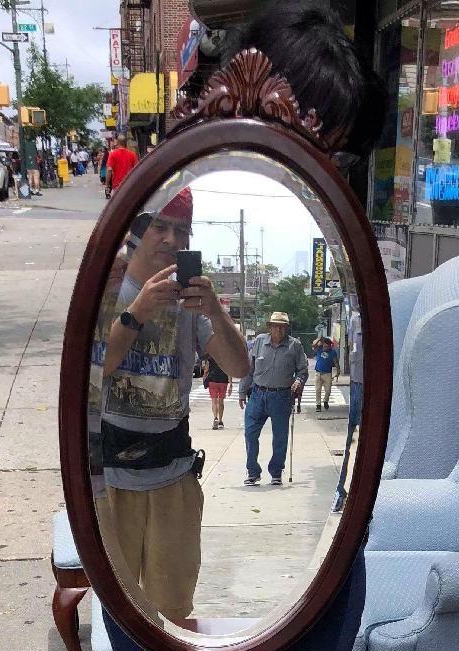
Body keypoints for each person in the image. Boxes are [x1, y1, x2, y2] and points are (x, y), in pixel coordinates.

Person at [100, 0, 384, 651]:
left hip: (278, 536)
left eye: (334, 154)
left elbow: (242, 368)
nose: (323, 168)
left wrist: (210, 303)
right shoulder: (133, 218)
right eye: (319, 140)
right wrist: (137, 300)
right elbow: (83, 388)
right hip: (127, 518)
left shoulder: (332, 225)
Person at [96, 190, 250, 621]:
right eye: (158, 226)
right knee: (118, 614)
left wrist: (217, 313)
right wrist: (138, 310)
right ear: (136, 232)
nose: (169, 239)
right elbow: (100, 365)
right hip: (112, 480)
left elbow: (238, 367)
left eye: (181, 230)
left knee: (175, 614)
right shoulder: (108, 289)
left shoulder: (192, 304)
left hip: (173, 477)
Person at [239, 312, 307, 487]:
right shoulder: (260, 341)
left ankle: (276, 472)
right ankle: (253, 472)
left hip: (281, 397)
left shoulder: (295, 345)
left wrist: (298, 382)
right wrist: (241, 392)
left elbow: (302, 370)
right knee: (250, 433)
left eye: (282, 326)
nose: (278, 329)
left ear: (286, 328)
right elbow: (249, 369)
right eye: (275, 325)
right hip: (258, 395)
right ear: (269, 327)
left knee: (280, 437)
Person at [332, 300, 363, 513]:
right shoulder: (354, 319)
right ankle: (344, 493)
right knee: (353, 437)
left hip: (377, 384)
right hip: (357, 384)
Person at [203, 352, 232, 430]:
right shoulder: (226, 358)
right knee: (221, 401)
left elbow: (206, 370)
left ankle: (215, 418)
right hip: (223, 381)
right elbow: (229, 371)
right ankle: (220, 421)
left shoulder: (210, 357)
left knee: (214, 401)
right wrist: (231, 384)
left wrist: (204, 379)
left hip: (212, 380)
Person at [311, 334, 339, 411]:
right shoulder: (319, 349)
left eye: (327, 347)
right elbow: (314, 344)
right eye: (324, 346)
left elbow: (336, 362)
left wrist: (338, 372)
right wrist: (319, 339)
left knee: (328, 391)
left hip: (328, 374)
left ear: (330, 346)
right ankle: (318, 405)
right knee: (317, 390)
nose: (325, 348)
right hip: (318, 373)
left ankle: (325, 401)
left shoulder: (333, 352)